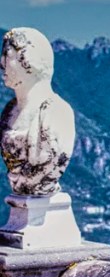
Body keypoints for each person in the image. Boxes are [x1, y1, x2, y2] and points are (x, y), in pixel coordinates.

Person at [0, 27, 75, 196]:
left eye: (8, 55)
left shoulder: (56, 112)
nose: (1, 63)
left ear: (29, 62)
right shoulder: (9, 111)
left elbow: (49, 165)